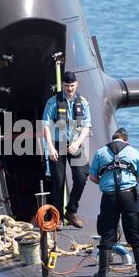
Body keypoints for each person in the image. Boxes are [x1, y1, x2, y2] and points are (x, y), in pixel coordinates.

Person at [89, 128, 139, 277]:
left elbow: (93, 177)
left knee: (107, 232)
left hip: (109, 197)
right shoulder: (133, 151)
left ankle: (104, 271)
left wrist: (105, 184)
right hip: (128, 195)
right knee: (134, 230)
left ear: (113, 138)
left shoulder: (101, 152)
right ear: (126, 140)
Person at [40, 72, 92, 228]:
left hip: (75, 143)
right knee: (58, 181)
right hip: (57, 143)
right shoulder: (53, 102)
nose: (69, 89)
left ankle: (71, 210)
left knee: (82, 176)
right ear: (62, 85)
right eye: (67, 86)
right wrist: (49, 147)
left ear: (76, 85)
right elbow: (45, 126)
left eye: (72, 85)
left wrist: (77, 143)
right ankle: (57, 217)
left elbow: (86, 126)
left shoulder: (82, 102)